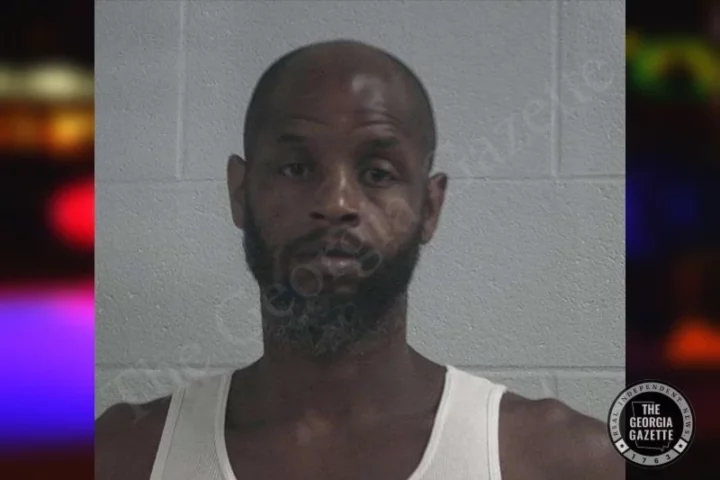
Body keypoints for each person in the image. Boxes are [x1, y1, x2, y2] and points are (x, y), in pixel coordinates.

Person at [96, 39, 623, 480]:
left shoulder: (563, 460)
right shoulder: (123, 456)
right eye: (296, 168)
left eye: (377, 173)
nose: (337, 202)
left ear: (430, 208)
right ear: (240, 192)